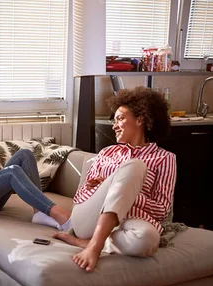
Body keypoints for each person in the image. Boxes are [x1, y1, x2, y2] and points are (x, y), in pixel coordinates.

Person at [50, 86, 176, 272]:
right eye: (114, 120)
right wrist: (107, 188)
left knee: (148, 240)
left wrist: (123, 192)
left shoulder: (165, 158)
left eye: (120, 119)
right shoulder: (106, 153)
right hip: (89, 219)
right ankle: (95, 246)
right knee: (136, 165)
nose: (114, 125)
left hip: (129, 222)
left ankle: (85, 243)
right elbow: (79, 198)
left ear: (140, 120)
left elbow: (162, 209)